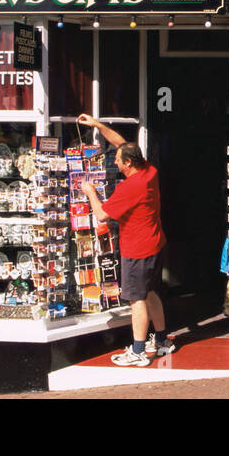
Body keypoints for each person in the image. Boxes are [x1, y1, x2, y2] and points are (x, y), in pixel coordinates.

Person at [76, 113, 173, 366]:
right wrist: (97, 125)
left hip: (137, 250)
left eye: (118, 161)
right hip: (154, 244)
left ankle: (139, 351)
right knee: (151, 291)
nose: (115, 164)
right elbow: (121, 143)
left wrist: (91, 192)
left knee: (136, 299)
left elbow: (101, 215)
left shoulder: (129, 188)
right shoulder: (149, 171)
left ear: (129, 163)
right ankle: (162, 340)